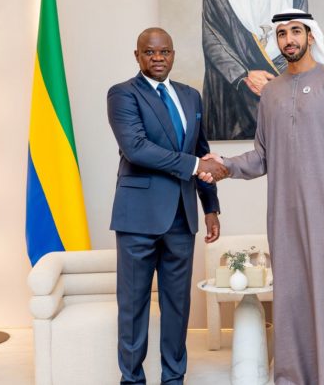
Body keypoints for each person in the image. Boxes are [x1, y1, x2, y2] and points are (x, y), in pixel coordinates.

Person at [200, 9, 324, 384]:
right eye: (281, 34)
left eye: (295, 31)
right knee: (292, 301)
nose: (288, 39)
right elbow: (262, 156)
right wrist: (225, 165)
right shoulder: (271, 93)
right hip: (284, 218)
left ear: (310, 36)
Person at [107, 27, 227, 385]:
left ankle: (174, 378)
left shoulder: (191, 97)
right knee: (133, 306)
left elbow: (201, 151)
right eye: (149, 52)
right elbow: (137, 148)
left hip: (181, 218)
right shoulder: (123, 94)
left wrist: (210, 207)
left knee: (178, 306)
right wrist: (195, 165)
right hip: (137, 219)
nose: (157, 58)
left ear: (173, 54)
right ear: (137, 56)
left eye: (164, 52)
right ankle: (132, 379)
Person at [202, 0, 308, 140]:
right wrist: (243, 75)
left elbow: (301, 32)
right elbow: (212, 36)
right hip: (234, 90)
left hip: (283, 85)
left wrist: (281, 80)